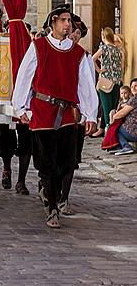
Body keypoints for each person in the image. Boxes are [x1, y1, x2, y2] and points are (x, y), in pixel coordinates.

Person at [11, 4, 98, 229]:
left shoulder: (79, 53)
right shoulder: (38, 46)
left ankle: (54, 197)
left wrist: (90, 114)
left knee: (65, 163)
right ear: (53, 23)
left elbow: (86, 85)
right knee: (47, 164)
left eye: (69, 20)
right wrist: (20, 107)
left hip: (68, 114)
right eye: (63, 20)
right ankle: (51, 210)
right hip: (43, 113)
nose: (67, 24)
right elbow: (25, 75)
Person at [56, 14, 94, 215]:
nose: (75, 36)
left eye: (79, 33)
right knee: (54, 157)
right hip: (54, 112)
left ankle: (64, 197)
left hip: (75, 113)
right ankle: (51, 190)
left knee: (71, 159)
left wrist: (89, 114)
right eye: (73, 31)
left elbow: (88, 88)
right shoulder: (54, 51)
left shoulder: (84, 56)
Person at [92, 27, 122, 136]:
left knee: (106, 109)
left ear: (103, 36)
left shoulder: (104, 48)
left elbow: (92, 59)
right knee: (112, 109)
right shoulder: (118, 49)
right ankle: (109, 131)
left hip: (106, 81)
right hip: (117, 81)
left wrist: (99, 70)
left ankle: (109, 134)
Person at [113, 78, 137, 155]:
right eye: (132, 86)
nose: (133, 88)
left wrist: (113, 117)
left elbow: (121, 114)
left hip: (134, 131)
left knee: (116, 129)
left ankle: (126, 146)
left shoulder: (134, 100)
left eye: (136, 86)